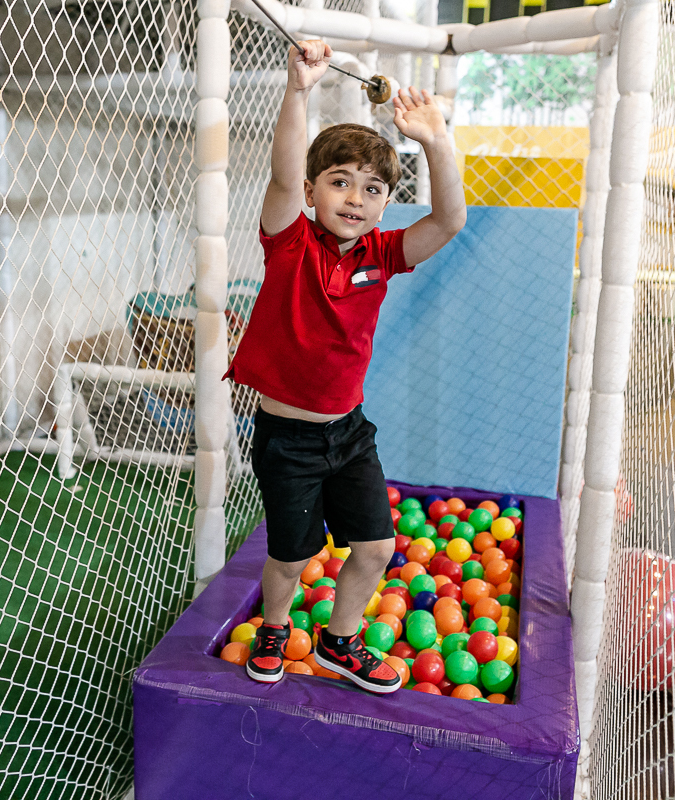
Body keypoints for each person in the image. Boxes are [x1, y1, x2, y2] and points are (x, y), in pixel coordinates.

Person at [223, 40, 466, 691]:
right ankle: (276, 626)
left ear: (386, 203)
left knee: (378, 547)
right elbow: (278, 179)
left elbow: (449, 219)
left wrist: (435, 141)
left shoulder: (383, 254)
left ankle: (340, 639)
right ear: (312, 190)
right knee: (291, 553)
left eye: (373, 188)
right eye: (339, 181)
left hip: (348, 433)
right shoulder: (290, 242)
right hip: (290, 439)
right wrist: (297, 90)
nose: (356, 197)